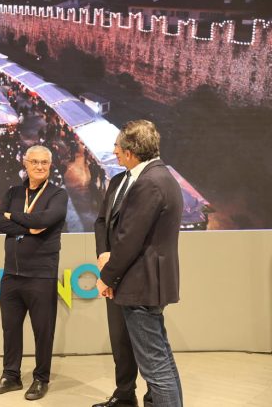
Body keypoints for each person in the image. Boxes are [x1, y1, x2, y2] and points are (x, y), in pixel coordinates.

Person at [95, 120, 183, 407]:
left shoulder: (148, 183)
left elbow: (129, 239)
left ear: (131, 151)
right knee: (162, 361)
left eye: (118, 147)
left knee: (156, 369)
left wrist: (106, 277)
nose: (115, 152)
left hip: (142, 284)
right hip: (148, 282)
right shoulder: (161, 176)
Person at [0, 145, 68, 401]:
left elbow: (45, 220)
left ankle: (41, 379)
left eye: (44, 162)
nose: (39, 166)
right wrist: (27, 226)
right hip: (12, 273)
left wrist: (13, 217)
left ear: (50, 165)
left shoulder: (58, 194)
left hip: (41, 274)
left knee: (43, 331)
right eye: (34, 162)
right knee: (10, 328)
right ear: (26, 163)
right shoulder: (14, 192)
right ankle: (10, 376)